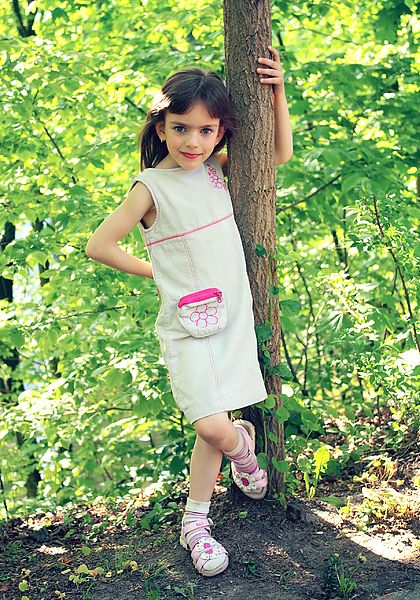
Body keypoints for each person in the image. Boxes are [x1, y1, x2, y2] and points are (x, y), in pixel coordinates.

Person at [85, 45, 293, 577]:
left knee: (209, 430)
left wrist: (278, 92)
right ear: (160, 128)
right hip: (185, 325)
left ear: (220, 132)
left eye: (206, 130)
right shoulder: (152, 187)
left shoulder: (218, 170)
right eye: (181, 128)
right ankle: (244, 452)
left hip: (232, 315)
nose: (193, 141)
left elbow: (278, 155)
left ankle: (195, 523)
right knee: (215, 425)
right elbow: (100, 246)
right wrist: (159, 273)